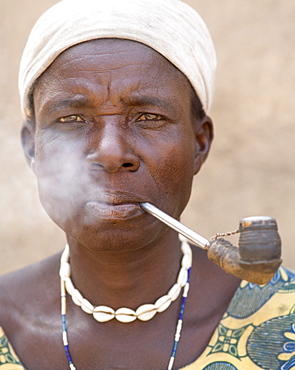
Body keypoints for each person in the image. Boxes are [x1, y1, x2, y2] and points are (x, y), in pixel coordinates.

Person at [0, 0, 294, 369]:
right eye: (72, 118)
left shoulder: (287, 318)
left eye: (148, 117)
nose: (110, 153)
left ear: (199, 143)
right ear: (32, 149)